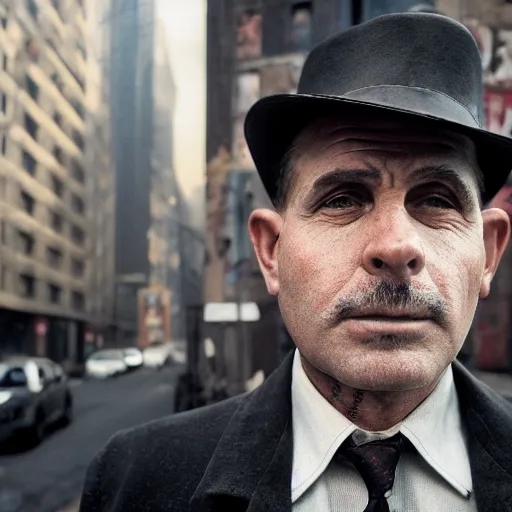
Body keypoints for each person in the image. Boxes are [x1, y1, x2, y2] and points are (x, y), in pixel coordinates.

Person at [79, 13, 512, 512]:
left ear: (489, 253)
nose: (396, 246)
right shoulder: (135, 480)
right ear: (270, 252)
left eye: (436, 201)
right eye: (343, 199)